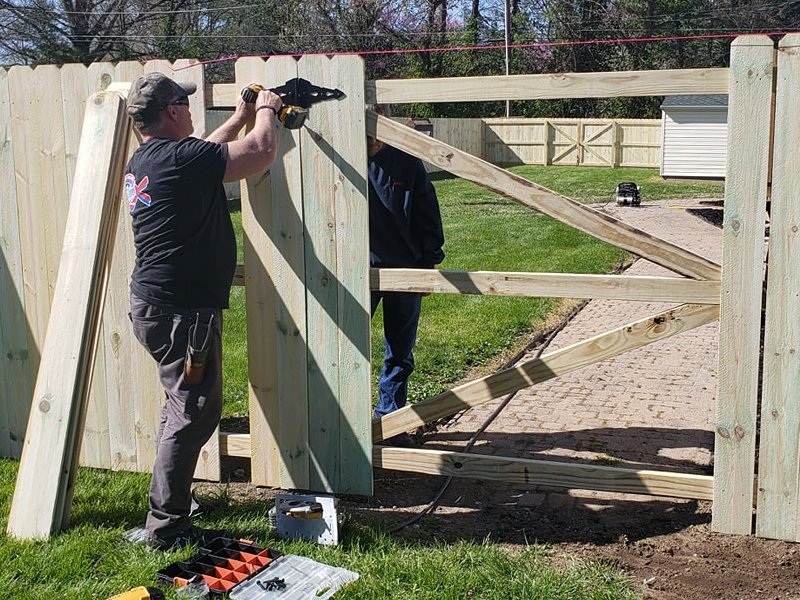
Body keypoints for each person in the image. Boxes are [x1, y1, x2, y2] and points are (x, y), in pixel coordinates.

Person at [124, 72, 283, 550]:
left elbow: (205, 153)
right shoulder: (179, 159)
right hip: (181, 313)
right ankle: (166, 527)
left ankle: (170, 507)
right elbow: (260, 153)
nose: (190, 110)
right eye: (184, 103)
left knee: (182, 408)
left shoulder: (152, 159)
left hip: (161, 306)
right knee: (193, 411)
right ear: (171, 111)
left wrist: (236, 117)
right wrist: (267, 111)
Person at [367, 104, 445, 424]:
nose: (371, 140)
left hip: (406, 270)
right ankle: (347, 414)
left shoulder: (407, 162)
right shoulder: (343, 159)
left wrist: (428, 265)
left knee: (399, 352)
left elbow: (428, 214)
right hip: (359, 272)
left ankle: (390, 416)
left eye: (377, 131)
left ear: (388, 125)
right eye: (365, 130)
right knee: (345, 347)